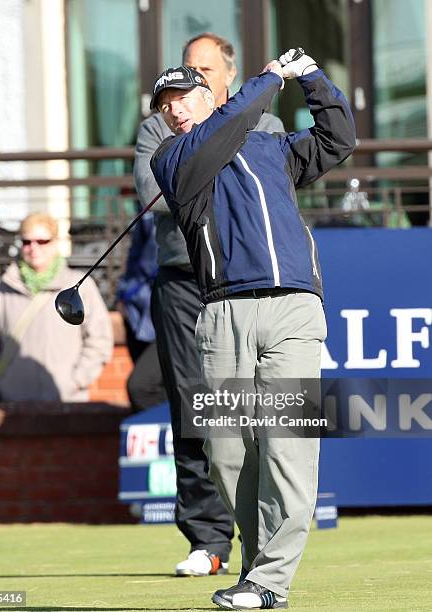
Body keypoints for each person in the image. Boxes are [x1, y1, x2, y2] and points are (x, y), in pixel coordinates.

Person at [150, 49, 356, 609]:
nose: (174, 112)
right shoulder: (173, 158)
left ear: (209, 95)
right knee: (227, 454)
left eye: (183, 99)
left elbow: (338, 137)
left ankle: (269, 581)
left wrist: (310, 77)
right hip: (223, 317)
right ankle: (255, 568)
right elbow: (224, 128)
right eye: (165, 106)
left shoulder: (274, 147)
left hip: (293, 310)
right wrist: (269, 80)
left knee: (287, 447)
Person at [134, 32, 285, 577]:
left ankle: (266, 530)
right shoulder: (160, 124)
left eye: (203, 69)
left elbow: (276, 187)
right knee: (194, 406)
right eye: (184, 69)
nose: (189, 80)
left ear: (227, 75)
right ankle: (208, 537)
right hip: (183, 278)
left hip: (247, 279)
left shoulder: (263, 122)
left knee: (260, 405)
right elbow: (161, 185)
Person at [0, 213, 113, 402]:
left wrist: (76, 381)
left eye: (42, 241)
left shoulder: (79, 285)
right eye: (27, 242)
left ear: (55, 242)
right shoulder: (4, 288)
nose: (33, 248)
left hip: (66, 401)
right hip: (13, 403)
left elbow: (100, 339)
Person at [115, 212, 166, 411]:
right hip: (138, 314)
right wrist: (124, 295)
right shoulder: (147, 210)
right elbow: (136, 258)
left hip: (173, 311)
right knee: (153, 388)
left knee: (141, 387)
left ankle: (178, 438)